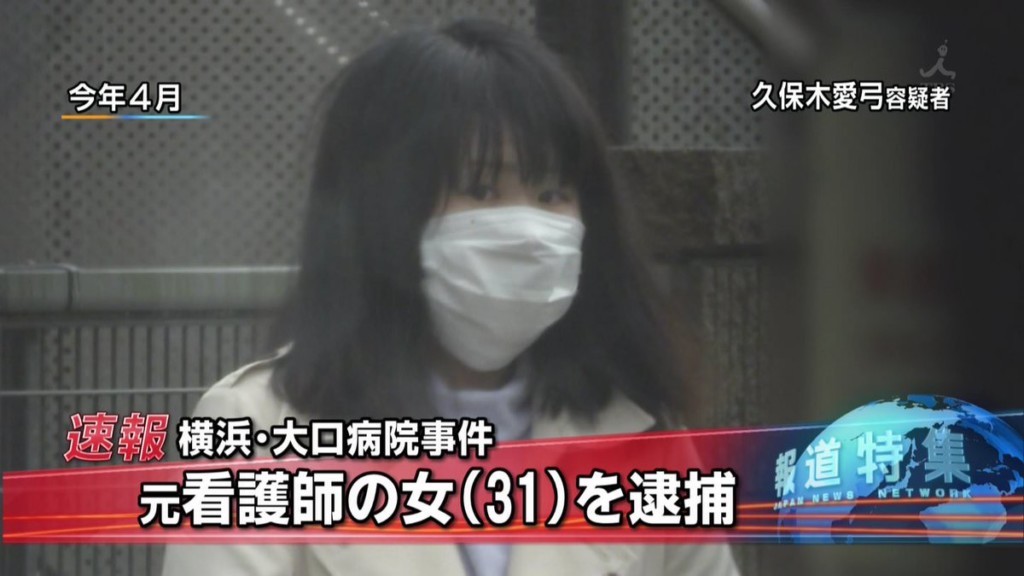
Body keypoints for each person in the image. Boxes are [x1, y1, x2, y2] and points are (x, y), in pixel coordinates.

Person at [162, 18, 739, 576]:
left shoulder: (639, 431)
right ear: (381, 211)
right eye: (482, 189)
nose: (528, 231)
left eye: (552, 193)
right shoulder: (257, 430)